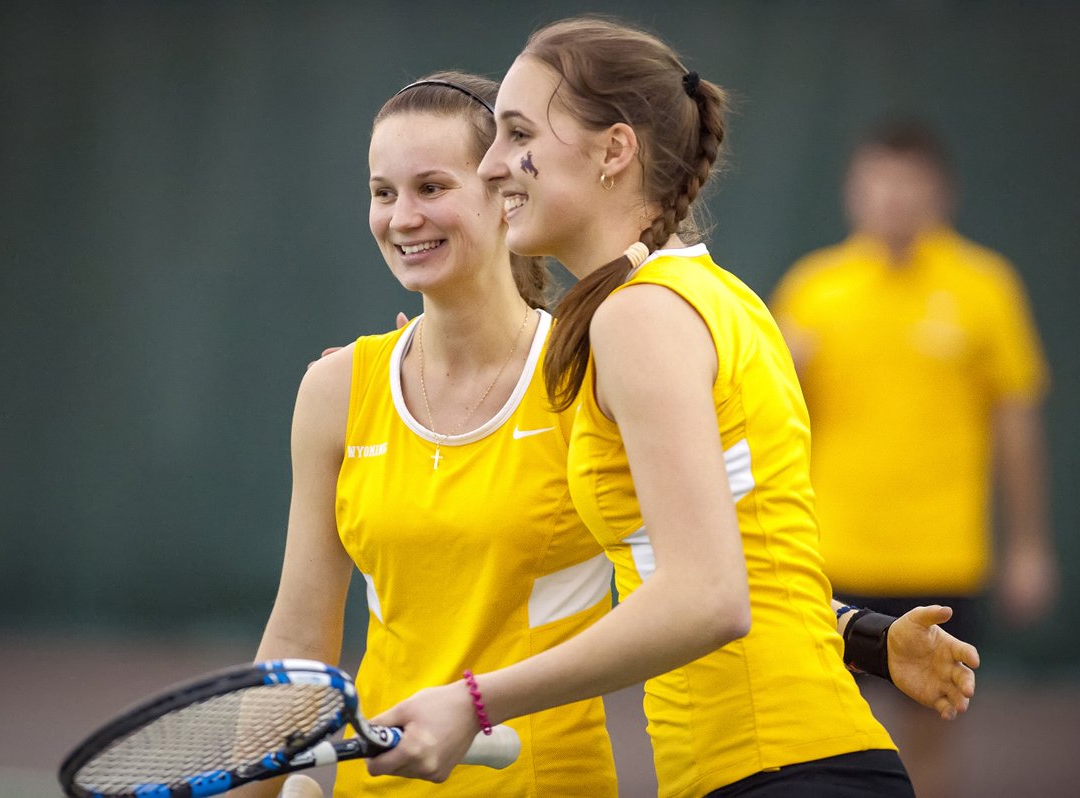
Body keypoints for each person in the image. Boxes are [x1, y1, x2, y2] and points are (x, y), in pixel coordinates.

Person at [362, 16, 976, 797]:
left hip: (778, 771)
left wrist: (472, 703)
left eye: (517, 133)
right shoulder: (708, 295)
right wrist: (856, 631)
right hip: (794, 761)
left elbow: (707, 597)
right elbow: (744, 552)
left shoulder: (639, 317)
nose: (490, 165)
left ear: (615, 151)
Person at [246, 71, 620, 797]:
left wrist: (854, 630)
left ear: (506, 195)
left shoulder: (595, 375)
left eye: (431, 188)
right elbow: (298, 646)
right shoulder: (335, 388)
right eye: (383, 193)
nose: (402, 217)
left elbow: (695, 584)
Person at [769, 118, 1057, 798]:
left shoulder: (986, 287)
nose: (894, 197)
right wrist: (791, 368)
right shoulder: (813, 291)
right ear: (853, 193)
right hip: (833, 557)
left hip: (941, 558)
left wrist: (1029, 547)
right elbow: (772, 424)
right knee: (827, 747)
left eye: (909, 182)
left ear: (941, 192)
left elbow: (1017, 425)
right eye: (878, 182)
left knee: (931, 740)